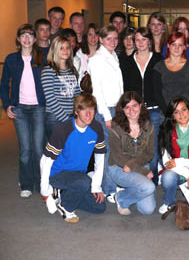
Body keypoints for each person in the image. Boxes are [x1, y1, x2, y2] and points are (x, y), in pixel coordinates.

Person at [40, 93, 106, 223]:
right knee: (84, 183)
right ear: (76, 112)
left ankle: (63, 194)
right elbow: (45, 161)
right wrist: (45, 191)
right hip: (57, 174)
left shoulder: (96, 128)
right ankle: (66, 207)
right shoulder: (63, 129)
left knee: (99, 207)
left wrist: (96, 186)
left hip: (77, 175)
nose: (88, 114)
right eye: (84, 110)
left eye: (91, 109)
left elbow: (100, 157)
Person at [0, 24, 47, 198]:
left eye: (30, 35)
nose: (27, 39)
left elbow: (49, 80)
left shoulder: (42, 58)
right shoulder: (11, 59)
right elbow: (4, 84)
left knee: (38, 148)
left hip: (38, 108)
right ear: (18, 39)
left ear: (35, 39)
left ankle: (41, 182)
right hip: (19, 109)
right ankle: (26, 184)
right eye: (23, 35)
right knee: (25, 149)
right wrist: (7, 105)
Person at [122, 27, 163, 185]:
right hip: (134, 112)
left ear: (149, 41)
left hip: (154, 110)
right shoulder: (127, 62)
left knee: (151, 148)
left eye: (143, 39)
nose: (140, 43)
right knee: (136, 147)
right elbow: (125, 88)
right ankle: (140, 179)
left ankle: (152, 180)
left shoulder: (158, 59)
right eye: (137, 39)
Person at [88, 25, 124, 196]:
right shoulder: (96, 60)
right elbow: (96, 92)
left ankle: (111, 183)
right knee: (108, 151)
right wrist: (107, 116)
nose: (113, 41)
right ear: (100, 39)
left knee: (115, 149)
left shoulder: (113, 55)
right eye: (108, 38)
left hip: (117, 108)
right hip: (106, 111)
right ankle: (109, 189)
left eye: (115, 38)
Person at [107, 91, 156, 215]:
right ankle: (123, 199)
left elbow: (149, 153)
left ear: (140, 106)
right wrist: (143, 172)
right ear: (122, 109)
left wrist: (138, 168)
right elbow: (118, 157)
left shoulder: (148, 127)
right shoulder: (115, 128)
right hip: (119, 168)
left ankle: (122, 195)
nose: (131, 110)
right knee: (148, 187)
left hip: (139, 165)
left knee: (147, 210)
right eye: (127, 107)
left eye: (134, 106)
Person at [158, 97, 189, 214]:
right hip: (176, 171)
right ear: (172, 116)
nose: (181, 114)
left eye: (184, 109)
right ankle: (169, 202)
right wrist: (187, 174)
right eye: (176, 112)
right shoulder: (165, 132)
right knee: (168, 177)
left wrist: (178, 161)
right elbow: (167, 162)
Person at [41, 36, 81, 138]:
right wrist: (65, 119)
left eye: (67, 47)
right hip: (55, 118)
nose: (65, 50)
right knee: (57, 151)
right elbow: (50, 98)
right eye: (61, 48)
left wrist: (78, 113)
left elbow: (77, 95)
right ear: (54, 50)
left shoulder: (72, 70)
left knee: (69, 150)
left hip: (71, 116)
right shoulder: (48, 70)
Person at [152, 31, 189, 115]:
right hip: (166, 114)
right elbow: (157, 94)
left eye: (180, 45)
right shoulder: (159, 67)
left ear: (185, 47)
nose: (176, 48)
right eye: (173, 44)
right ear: (168, 46)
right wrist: (168, 113)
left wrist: (187, 111)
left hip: (186, 114)